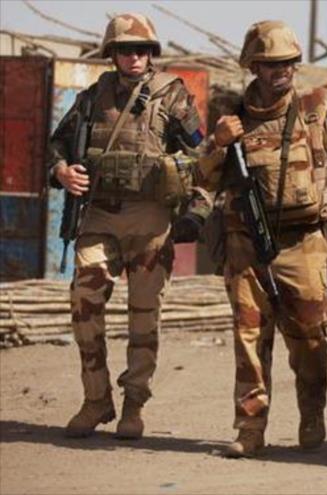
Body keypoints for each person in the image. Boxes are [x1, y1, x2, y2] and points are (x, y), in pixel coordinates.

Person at [196, 20, 327, 457]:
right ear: (253, 67)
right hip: (246, 243)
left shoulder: (315, 110)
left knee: (310, 339)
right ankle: (250, 429)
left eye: (289, 62)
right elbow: (200, 180)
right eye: (271, 63)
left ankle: (311, 412)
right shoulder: (233, 120)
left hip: (305, 243)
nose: (282, 70)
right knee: (249, 337)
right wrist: (217, 144)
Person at [49, 13, 204, 440]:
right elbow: (58, 144)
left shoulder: (171, 96)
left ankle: (134, 404)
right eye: (124, 50)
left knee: (144, 315)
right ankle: (96, 400)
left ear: (151, 54)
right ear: (112, 55)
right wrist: (61, 171)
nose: (134, 57)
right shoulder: (90, 98)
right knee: (84, 299)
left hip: (150, 218)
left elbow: (202, 155)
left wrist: (197, 210)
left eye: (141, 50)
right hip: (100, 214)